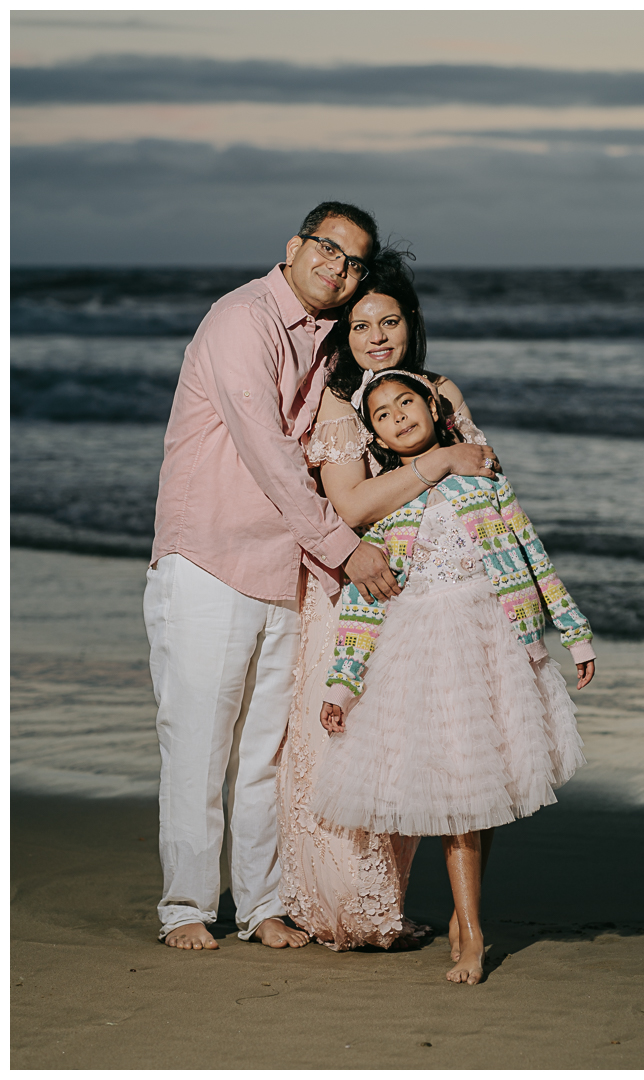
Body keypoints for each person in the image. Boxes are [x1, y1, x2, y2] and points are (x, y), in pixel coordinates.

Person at [144, 201, 412, 951]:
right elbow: (267, 451)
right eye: (328, 249)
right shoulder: (243, 320)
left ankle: (262, 906)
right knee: (198, 746)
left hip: (282, 570)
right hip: (210, 561)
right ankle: (186, 909)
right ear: (295, 247)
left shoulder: (322, 342)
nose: (338, 267)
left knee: (264, 754)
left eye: (353, 261)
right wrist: (344, 549)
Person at [312, 370, 596, 983]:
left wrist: (573, 631)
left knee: (481, 783)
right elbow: (364, 606)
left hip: (493, 639)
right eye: (383, 414)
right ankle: (470, 929)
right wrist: (341, 686)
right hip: (426, 652)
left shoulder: (479, 477)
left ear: (433, 408)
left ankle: (464, 917)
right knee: (461, 789)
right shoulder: (388, 506)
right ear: (378, 437)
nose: (397, 416)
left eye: (406, 402)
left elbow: (530, 552)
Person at [276, 251, 500, 949]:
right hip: (355, 587)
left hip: (437, 593)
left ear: (411, 323)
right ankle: (342, 905)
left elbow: (488, 477)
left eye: (390, 321)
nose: (377, 336)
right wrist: (436, 463)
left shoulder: (440, 389)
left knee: (411, 746)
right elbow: (350, 504)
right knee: (344, 740)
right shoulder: (340, 405)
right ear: (343, 333)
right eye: (361, 323)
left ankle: (390, 902)